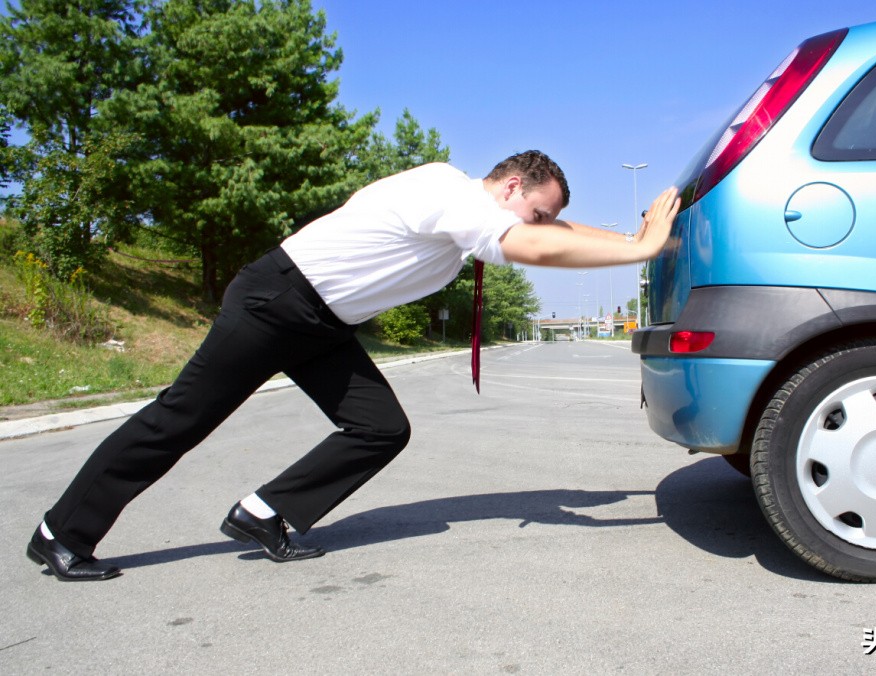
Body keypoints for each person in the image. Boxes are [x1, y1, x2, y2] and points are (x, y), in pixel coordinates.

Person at [26, 150, 680, 581]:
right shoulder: (450, 193)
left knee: (379, 426)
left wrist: (636, 240)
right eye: (538, 208)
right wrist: (639, 247)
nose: (543, 221)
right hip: (275, 300)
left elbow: (553, 234)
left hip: (319, 323)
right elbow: (536, 245)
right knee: (181, 419)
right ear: (512, 185)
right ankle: (61, 533)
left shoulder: (471, 216)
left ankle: (264, 512)